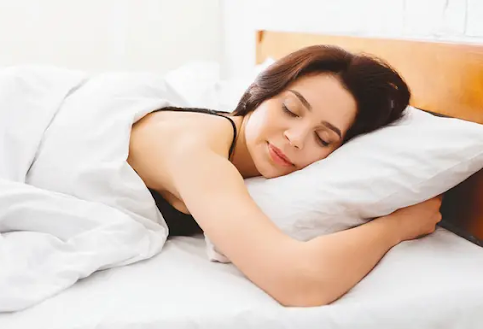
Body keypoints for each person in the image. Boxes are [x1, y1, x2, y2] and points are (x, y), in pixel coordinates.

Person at [127, 45, 442, 307]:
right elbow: (301, 282)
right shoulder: (199, 153)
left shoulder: (231, 144)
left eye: (323, 138)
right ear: (261, 92)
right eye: (291, 109)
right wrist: (399, 225)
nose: (296, 137)